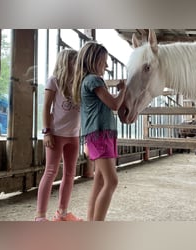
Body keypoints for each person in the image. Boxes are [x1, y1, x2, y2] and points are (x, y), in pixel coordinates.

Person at [72, 41, 126, 221]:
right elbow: (114, 104)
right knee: (112, 181)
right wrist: (123, 90)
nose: (107, 65)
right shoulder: (93, 80)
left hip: (101, 134)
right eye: (104, 61)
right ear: (94, 60)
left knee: (100, 181)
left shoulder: (87, 81)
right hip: (100, 134)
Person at [35, 49, 82, 222]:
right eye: (75, 61)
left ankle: (62, 213)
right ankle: (40, 216)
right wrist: (46, 132)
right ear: (67, 62)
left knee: (70, 173)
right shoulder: (53, 80)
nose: (78, 64)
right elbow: (46, 107)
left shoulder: (79, 82)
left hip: (74, 135)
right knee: (50, 171)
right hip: (55, 134)